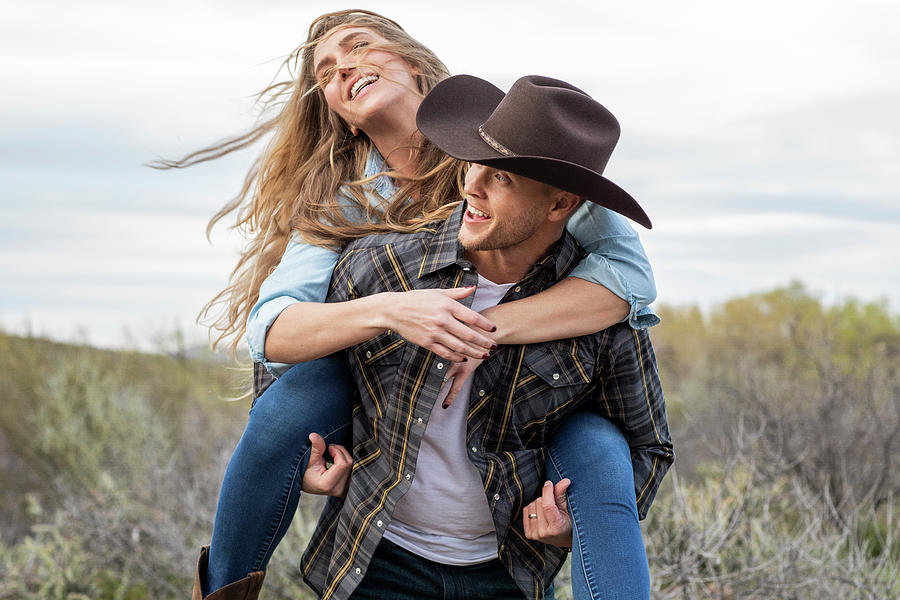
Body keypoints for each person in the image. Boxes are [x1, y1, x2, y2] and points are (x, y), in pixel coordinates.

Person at [172, 9, 660, 600]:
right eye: (325, 71)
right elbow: (273, 336)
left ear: (416, 65)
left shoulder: (516, 151)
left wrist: (479, 329)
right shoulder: (346, 213)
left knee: (598, 444)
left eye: (360, 46)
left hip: (502, 504)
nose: (343, 67)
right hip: (377, 432)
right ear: (342, 120)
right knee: (293, 402)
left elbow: (629, 277)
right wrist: (390, 314)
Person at [298, 73, 673, 600]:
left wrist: (577, 525)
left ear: (560, 205)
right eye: (476, 162)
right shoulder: (385, 266)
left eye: (501, 178)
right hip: (377, 564)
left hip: (507, 573)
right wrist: (307, 461)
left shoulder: (597, 315)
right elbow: (298, 374)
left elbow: (646, 444)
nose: (471, 185)